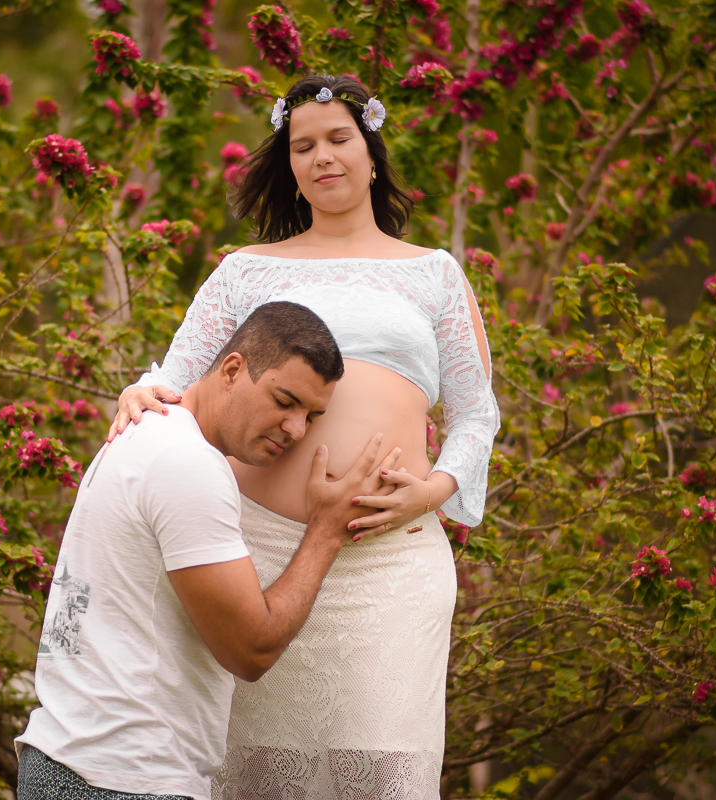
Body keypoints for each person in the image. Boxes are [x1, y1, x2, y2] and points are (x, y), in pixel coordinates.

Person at [111, 74, 501, 798]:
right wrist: (139, 390)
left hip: (392, 567)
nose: (322, 156)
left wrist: (435, 491)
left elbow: (478, 415)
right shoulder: (244, 272)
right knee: (258, 773)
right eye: (303, 146)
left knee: (381, 770)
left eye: (339, 139)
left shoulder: (436, 275)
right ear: (289, 167)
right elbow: (176, 380)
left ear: (372, 151)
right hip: (255, 560)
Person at [15, 301, 400, 800]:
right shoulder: (187, 463)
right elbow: (250, 649)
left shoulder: (149, 431)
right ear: (233, 369)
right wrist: (326, 531)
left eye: (312, 415)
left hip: (72, 763)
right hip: (119, 780)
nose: (296, 429)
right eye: (284, 401)